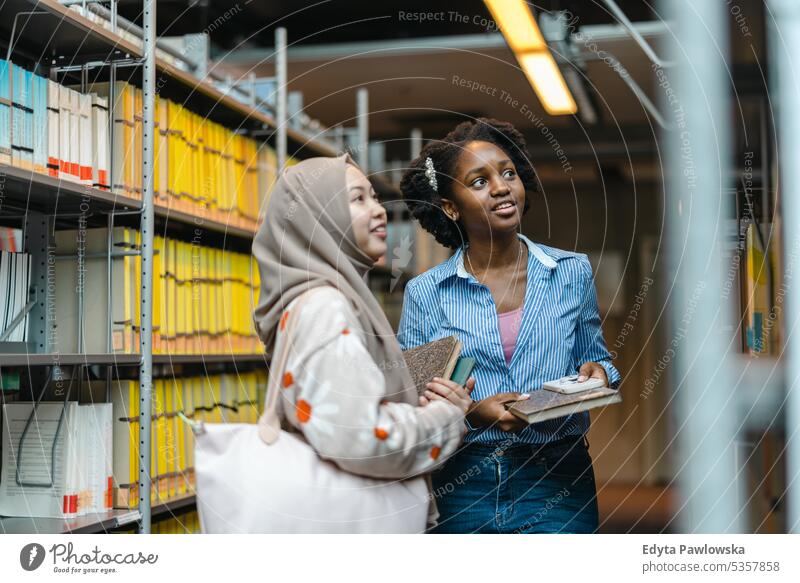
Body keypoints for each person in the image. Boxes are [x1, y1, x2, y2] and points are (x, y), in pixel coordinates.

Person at [398, 118, 622, 534]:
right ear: (451, 207)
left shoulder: (570, 272)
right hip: (464, 484)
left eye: (507, 173)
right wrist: (471, 416)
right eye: (478, 182)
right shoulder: (425, 293)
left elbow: (597, 358)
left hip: (558, 479)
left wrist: (600, 372)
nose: (501, 187)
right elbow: (416, 404)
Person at [251, 153, 474, 530]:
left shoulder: (315, 299)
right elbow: (360, 438)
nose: (379, 211)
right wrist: (447, 416)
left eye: (375, 196)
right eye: (357, 199)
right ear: (318, 219)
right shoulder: (326, 306)